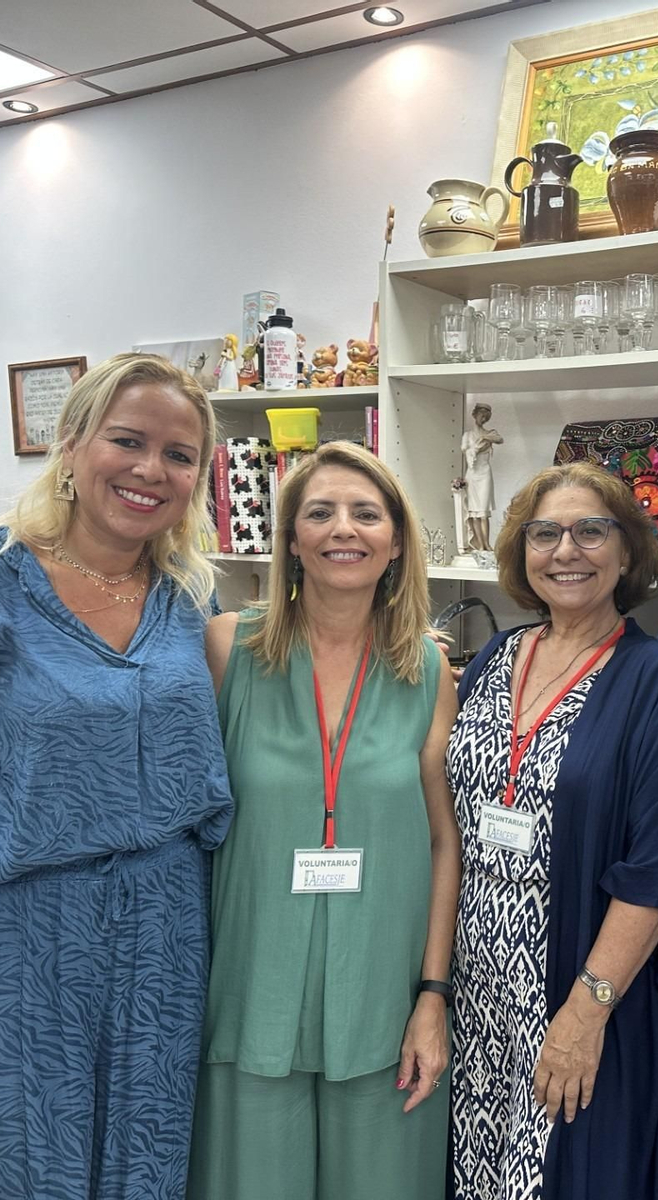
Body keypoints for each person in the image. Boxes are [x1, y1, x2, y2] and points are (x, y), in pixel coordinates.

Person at [0, 353, 233, 1199]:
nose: (151, 470)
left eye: (179, 455)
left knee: (150, 1170)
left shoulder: (192, 597)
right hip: (22, 944)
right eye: (128, 441)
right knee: (18, 1169)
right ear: (72, 446)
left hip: (170, 939)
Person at [189, 440, 459, 1199]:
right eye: (321, 513)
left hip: (384, 997)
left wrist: (432, 997)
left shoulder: (431, 670)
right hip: (249, 992)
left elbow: (445, 844)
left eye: (366, 513)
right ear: (291, 539)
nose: (345, 529)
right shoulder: (225, 650)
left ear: (397, 539)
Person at [448, 462, 658, 1200]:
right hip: (477, 992)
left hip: (580, 991)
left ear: (627, 554)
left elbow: (655, 871)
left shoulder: (655, 681)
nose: (567, 550)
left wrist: (584, 1014)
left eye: (593, 531)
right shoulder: (495, 658)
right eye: (546, 533)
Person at [463, 402, 504, 552]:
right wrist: (479, 445)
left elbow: (500, 439)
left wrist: (485, 438)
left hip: (484, 472)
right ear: (475, 415)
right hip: (472, 474)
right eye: (481, 415)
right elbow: (466, 450)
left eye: (486, 417)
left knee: (484, 511)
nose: (483, 419)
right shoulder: (468, 435)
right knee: (474, 512)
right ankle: (479, 545)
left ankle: (487, 544)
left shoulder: (490, 434)